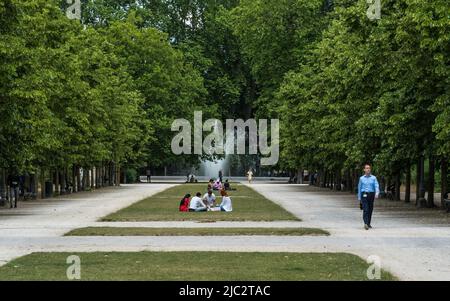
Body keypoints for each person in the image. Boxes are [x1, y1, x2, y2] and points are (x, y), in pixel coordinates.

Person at [358, 164, 380, 230]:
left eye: (369, 168)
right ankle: (365, 223)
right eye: (366, 168)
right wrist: (359, 198)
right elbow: (359, 188)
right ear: (364, 170)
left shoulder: (374, 178)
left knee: (370, 209)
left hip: (371, 194)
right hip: (364, 194)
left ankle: (368, 223)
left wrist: (377, 193)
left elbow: (376, 185)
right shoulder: (361, 178)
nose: (368, 169)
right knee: (366, 209)